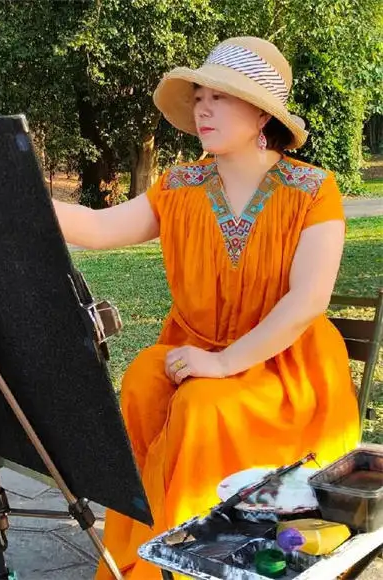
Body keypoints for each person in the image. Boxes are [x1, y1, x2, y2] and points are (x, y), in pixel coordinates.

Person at [52, 36, 360, 580]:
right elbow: (98, 228)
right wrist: (19, 195)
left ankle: (188, 562)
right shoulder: (180, 185)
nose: (203, 108)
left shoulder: (313, 189)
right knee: (142, 379)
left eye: (220, 96)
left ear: (262, 113)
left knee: (201, 404)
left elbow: (308, 299)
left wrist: (223, 363)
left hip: (285, 369)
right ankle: (143, 552)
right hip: (197, 351)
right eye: (198, 97)